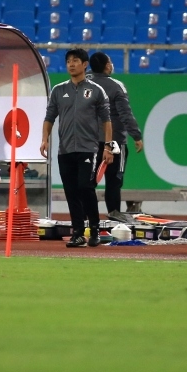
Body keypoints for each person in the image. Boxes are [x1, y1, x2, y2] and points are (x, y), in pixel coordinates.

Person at [41, 48, 113, 248]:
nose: (71, 64)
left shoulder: (97, 91)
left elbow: (107, 121)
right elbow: (49, 117)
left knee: (85, 187)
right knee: (71, 191)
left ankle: (95, 229)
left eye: (75, 60)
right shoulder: (58, 90)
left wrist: (108, 146)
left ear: (85, 64)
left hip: (88, 148)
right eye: (68, 61)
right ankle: (78, 233)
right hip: (65, 150)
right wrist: (44, 139)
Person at [86, 52, 143, 217]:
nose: (111, 64)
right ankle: (114, 215)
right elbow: (125, 114)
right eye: (110, 61)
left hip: (89, 142)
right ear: (106, 66)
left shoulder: (84, 83)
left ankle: (84, 217)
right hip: (115, 142)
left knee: (88, 181)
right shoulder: (116, 86)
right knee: (114, 181)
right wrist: (136, 136)